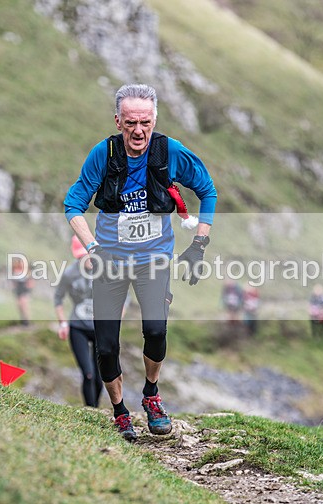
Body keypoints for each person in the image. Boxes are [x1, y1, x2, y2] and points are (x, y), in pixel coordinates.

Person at [64, 84, 217, 441]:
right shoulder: (103, 154)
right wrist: (93, 248)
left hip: (154, 259)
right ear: (118, 121)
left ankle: (151, 395)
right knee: (105, 345)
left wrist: (199, 244)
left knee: (155, 330)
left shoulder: (170, 152)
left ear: (154, 120)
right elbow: (74, 205)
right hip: (110, 261)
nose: (138, 130)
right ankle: (119, 411)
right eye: (130, 122)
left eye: (145, 122)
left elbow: (207, 189)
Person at [54, 236, 103, 408]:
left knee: (100, 376)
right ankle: (91, 411)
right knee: (88, 374)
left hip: (100, 329)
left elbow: (123, 297)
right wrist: (62, 323)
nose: (87, 259)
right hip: (78, 327)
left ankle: (96, 409)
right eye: (82, 256)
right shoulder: (69, 274)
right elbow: (58, 298)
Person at [10, 256, 34, 325]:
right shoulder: (14, 268)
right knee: (19, 304)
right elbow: (13, 279)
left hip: (24, 287)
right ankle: (23, 319)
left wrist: (29, 287)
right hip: (18, 287)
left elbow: (30, 279)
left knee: (24, 303)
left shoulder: (26, 269)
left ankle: (27, 320)